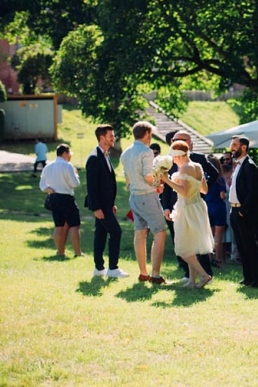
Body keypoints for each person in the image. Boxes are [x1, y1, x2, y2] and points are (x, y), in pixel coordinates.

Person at [162, 131, 218, 283]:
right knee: (192, 245)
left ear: (179, 155)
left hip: (186, 207)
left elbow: (184, 192)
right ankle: (192, 280)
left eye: (173, 156)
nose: (172, 160)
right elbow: (204, 190)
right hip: (198, 205)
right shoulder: (197, 166)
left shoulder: (184, 168)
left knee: (183, 248)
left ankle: (204, 275)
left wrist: (167, 180)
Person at [119, 121, 167, 284]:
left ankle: (143, 272)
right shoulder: (146, 152)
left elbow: (127, 178)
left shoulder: (125, 152)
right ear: (146, 134)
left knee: (140, 233)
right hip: (147, 196)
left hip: (134, 197)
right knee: (159, 232)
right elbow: (148, 176)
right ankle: (155, 274)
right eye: (151, 133)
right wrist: (158, 184)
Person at [85, 125, 127, 278]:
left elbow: (108, 182)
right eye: (111, 135)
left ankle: (98, 268)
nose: (113, 138)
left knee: (101, 234)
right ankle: (113, 268)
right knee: (116, 232)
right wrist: (96, 208)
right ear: (101, 137)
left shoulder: (105, 155)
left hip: (106, 205)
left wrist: (111, 204)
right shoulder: (94, 157)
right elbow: (92, 186)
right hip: (100, 206)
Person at [229, 135, 258, 288]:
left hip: (245, 213)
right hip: (235, 210)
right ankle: (248, 277)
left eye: (235, 145)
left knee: (250, 245)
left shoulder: (250, 166)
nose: (232, 148)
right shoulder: (238, 165)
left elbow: (253, 192)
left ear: (243, 147)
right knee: (242, 246)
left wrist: (243, 210)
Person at [39, 143, 83, 258]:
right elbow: (75, 184)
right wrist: (76, 175)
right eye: (69, 154)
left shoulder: (48, 166)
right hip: (66, 197)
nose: (70, 156)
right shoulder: (67, 166)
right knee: (74, 225)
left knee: (58, 225)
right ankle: (77, 252)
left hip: (53, 197)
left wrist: (48, 190)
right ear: (65, 153)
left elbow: (42, 184)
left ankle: (60, 251)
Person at [205, 155, 228, 268]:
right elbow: (222, 195)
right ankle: (219, 260)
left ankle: (210, 258)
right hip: (218, 207)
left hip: (207, 206)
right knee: (218, 237)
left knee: (209, 235)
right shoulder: (220, 179)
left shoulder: (205, 178)